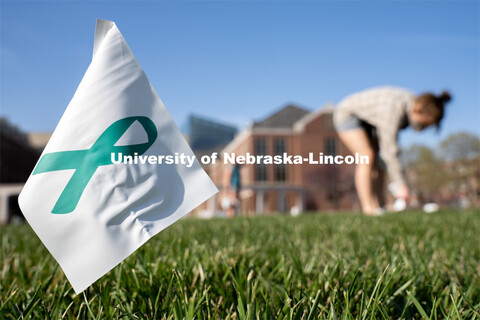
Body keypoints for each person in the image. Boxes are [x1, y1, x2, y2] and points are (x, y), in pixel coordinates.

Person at [333, 86, 451, 215]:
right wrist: (400, 184)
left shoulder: (410, 105)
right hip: (348, 113)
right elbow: (390, 150)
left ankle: (379, 206)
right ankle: (368, 208)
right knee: (366, 156)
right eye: (424, 124)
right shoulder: (394, 110)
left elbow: (386, 155)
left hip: (369, 121)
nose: (422, 128)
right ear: (420, 110)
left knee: (378, 162)